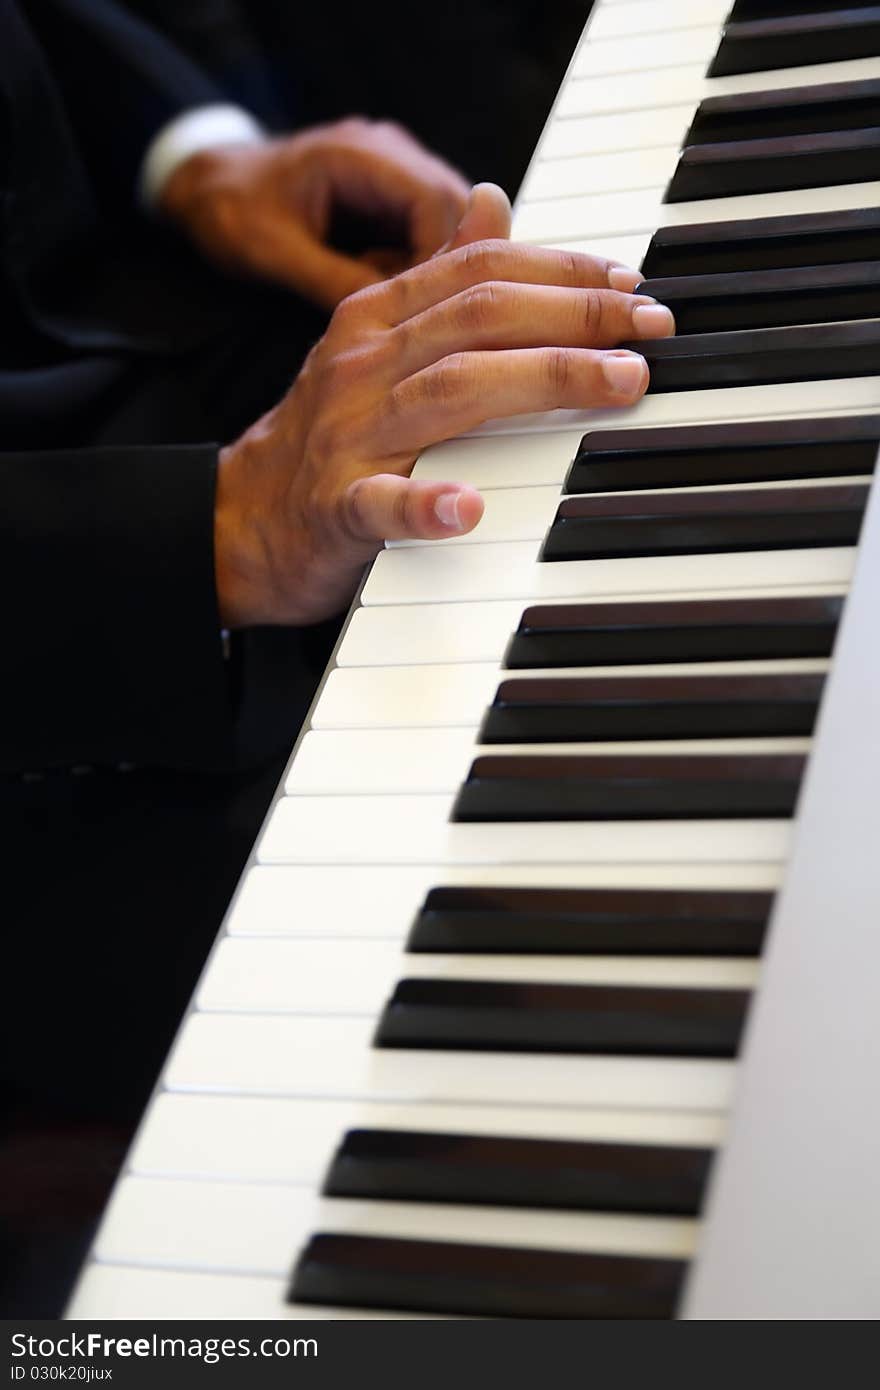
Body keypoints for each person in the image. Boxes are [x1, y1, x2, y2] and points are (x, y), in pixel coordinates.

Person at [0, 0, 675, 1313]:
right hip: (56, 667)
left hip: (143, 314)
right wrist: (217, 530)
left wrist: (194, 156)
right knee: (588, 908)